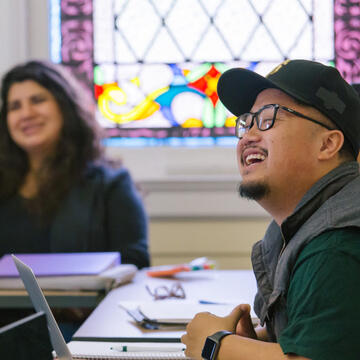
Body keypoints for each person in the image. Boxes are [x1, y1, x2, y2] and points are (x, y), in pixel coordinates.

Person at [181, 59, 360, 359]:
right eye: (246, 121)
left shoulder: (337, 242)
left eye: (268, 118)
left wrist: (217, 346)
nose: (249, 135)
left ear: (327, 144)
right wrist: (255, 343)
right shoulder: (296, 227)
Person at [0, 60, 150, 337]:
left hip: (84, 332)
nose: (26, 113)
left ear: (65, 107)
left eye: (37, 100)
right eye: (14, 106)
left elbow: (135, 262)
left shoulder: (111, 184)